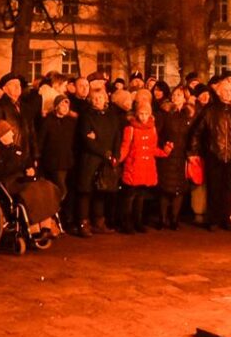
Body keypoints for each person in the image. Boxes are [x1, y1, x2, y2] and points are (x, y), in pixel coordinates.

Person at [189, 74, 231, 231]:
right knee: (214, 188)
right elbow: (197, 132)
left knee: (228, 188)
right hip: (213, 153)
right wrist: (194, 151)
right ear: (219, 93)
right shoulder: (209, 111)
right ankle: (213, 219)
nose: (229, 93)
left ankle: (225, 218)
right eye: (225, 91)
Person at [74, 75, 123, 236]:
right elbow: (87, 140)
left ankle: (99, 222)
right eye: (94, 98)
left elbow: (117, 136)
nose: (97, 100)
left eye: (100, 97)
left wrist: (115, 154)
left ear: (105, 99)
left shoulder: (112, 116)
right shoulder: (87, 116)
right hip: (91, 159)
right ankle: (83, 223)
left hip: (107, 160)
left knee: (101, 191)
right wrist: (105, 152)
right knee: (85, 191)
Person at [118, 90, 167, 233]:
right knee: (130, 197)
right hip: (133, 167)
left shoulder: (152, 129)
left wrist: (165, 152)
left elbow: (153, 149)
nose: (144, 117)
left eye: (146, 114)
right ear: (136, 114)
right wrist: (118, 159)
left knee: (140, 197)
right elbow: (125, 147)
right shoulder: (130, 128)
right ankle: (127, 223)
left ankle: (138, 222)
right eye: (141, 114)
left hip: (145, 167)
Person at [155, 86, 195, 230]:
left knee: (179, 188)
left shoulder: (189, 115)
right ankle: (162, 218)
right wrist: (162, 146)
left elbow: (192, 136)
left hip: (181, 155)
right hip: (167, 154)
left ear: (185, 98)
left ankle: (174, 219)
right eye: (174, 94)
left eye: (179, 95)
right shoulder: (164, 113)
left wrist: (191, 152)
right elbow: (157, 133)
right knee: (165, 187)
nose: (176, 97)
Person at [39, 95, 78, 229]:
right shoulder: (48, 121)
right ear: (56, 106)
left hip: (68, 161)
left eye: (67, 105)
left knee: (67, 191)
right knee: (61, 189)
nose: (65, 108)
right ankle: (53, 215)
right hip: (54, 162)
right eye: (62, 105)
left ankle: (64, 218)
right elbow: (41, 141)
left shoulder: (70, 122)